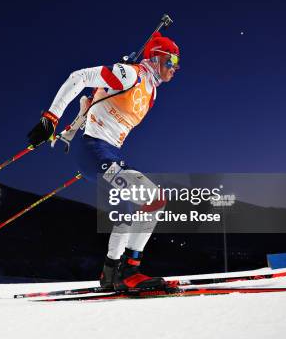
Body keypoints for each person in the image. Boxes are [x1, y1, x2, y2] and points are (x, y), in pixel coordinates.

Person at [27, 32, 180, 291]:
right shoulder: (130, 74)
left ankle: (110, 273)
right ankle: (130, 270)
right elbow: (79, 77)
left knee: (128, 212)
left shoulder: (152, 91)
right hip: (94, 151)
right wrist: (51, 118)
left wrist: (69, 132)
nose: (175, 67)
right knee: (155, 198)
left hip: (109, 153)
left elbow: (94, 103)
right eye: (171, 60)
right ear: (155, 57)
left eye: (178, 63)